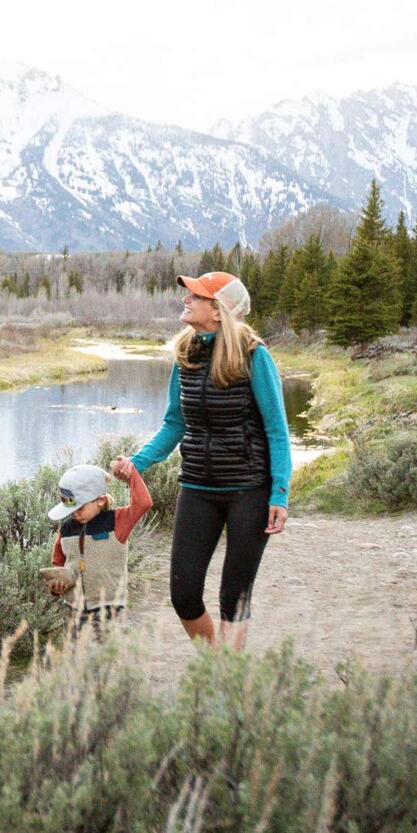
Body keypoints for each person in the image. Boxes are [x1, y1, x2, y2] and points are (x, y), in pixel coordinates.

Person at [112, 272, 291, 651]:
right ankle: (218, 667)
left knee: (233, 597)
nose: (186, 300)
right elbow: (175, 423)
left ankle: (228, 686)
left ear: (218, 310)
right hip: (197, 487)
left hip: (249, 490)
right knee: (184, 594)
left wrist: (279, 492)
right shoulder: (185, 354)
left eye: (196, 295)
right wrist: (138, 462)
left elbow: (277, 430)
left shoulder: (254, 355)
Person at [42, 461, 152, 632]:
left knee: (105, 658)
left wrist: (131, 472)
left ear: (100, 501)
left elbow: (144, 503)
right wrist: (56, 587)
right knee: (75, 658)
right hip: (72, 610)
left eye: (80, 507)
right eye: (70, 509)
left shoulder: (117, 521)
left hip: (109, 609)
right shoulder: (65, 529)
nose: (74, 513)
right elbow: (58, 565)